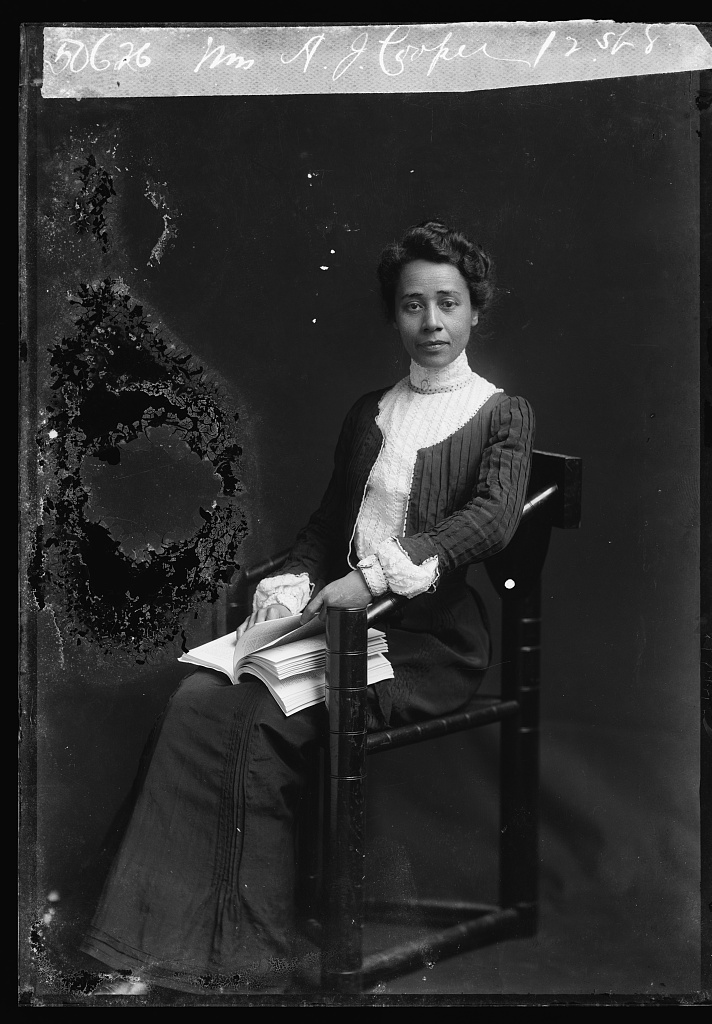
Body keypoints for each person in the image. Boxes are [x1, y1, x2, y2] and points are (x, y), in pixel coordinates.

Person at [81, 220, 535, 996]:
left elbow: (492, 518)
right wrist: (291, 582)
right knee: (196, 701)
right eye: (411, 306)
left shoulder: (501, 414)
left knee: (258, 720)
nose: (430, 324)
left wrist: (380, 580)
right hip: (338, 626)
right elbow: (328, 528)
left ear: (474, 312)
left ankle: (240, 951)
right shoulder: (371, 412)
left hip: (425, 646)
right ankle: (146, 941)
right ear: (392, 315)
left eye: (448, 304)